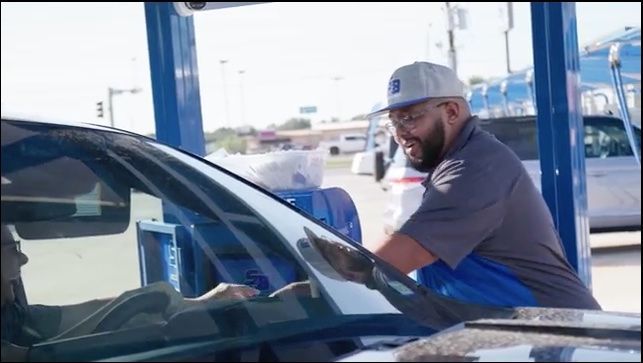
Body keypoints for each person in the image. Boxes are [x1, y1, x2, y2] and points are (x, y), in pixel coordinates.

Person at [360, 61, 600, 310]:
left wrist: (335, 269)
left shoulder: (475, 167)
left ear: (451, 112)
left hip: (555, 332)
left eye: (409, 118)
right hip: (518, 330)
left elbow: (397, 258)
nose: (401, 133)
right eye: (394, 123)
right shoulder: (458, 162)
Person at [1, 223, 259, 360]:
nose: (23, 259)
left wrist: (200, 302)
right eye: (11, 249)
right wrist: (142, 309)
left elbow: (85, 311)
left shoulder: (13, 314)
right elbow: (39, 358)